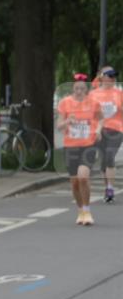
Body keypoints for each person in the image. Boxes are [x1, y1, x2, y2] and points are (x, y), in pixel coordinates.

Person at [56, 73, 104, 226]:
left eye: (82, 89)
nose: (79, 91)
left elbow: (101, 118)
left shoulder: (94, 103)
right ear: (73, 89)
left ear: (86, 90)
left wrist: (98, 130)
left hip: (88, 145)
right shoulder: (65, 103)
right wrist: (67, 121)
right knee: (75, 183)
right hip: (70, 146)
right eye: (76, 88)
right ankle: (80, 211)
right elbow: (59, 125)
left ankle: (87, 210)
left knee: (83, 177)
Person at [89, 66, 123, 203]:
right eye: (110, 75)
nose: (113, 78)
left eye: (114, 76)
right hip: (99, 130)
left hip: (116, 129)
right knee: (104, 161)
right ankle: (107, 188)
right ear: (102, 77)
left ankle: (110, 188)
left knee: (109, 157)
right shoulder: (93, 94)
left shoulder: (119, 93)